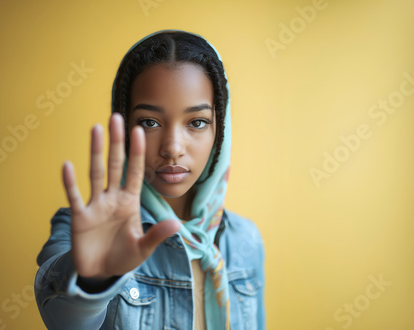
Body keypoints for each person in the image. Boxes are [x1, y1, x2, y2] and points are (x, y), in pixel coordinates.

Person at [34, 29, 265, 330]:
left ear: (220, 130)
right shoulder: (85, 230)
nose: (172, 148)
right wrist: (94, 279)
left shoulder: (245, 239)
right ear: (125, 123)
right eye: (149, 122)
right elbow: (65, 319)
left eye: (196, 122)